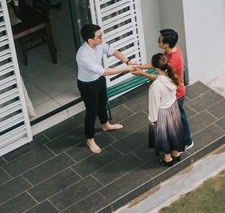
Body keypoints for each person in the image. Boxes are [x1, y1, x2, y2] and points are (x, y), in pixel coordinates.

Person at [75, 24, 132, 153]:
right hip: (87, 85)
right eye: (99, 36)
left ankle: (105, 125)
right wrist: (127, 69)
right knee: (92, 111)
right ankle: (90, 139)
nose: (102, 38)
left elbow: (115, 52)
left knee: (103, 102)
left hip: (99, 80)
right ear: (90, 40)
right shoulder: (83, 55)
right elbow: (104, 72)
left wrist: (128, 61)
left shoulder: (99, 45)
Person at [131, 53, 184, 165]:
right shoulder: (171, 76)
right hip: (173, 107)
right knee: (174, 131)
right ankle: (176, 154)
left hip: (162, 113)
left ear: (155, 68)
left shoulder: (156, 86)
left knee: (164, 136)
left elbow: (154, 104)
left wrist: (152, 119)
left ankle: (167, 158)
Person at [158, 28, 192, 149]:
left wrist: (143, 73)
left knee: (179, 119)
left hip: (176, 94)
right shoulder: (172, 50)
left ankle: (187, 141)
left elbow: (162, 77)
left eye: (160, 40)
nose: (158, 40)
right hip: (175, 91)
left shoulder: (172, 60)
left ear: (166, 44)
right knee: (177, 118)